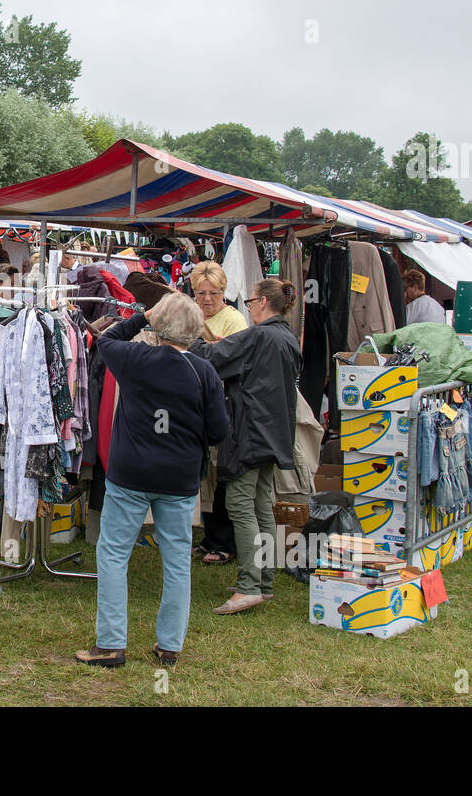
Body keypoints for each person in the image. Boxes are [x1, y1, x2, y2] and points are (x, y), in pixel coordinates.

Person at [75, 293, 229, 667]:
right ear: (194, 330)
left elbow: (105, 339)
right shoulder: (202, 371)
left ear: (159, 326)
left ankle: (111, 642)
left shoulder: (135, 358)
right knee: (176, 560)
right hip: (178, 477)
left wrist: (143, 316)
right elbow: (219, 430)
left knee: (113, 553)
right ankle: (169, 645)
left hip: (130, 472)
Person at [189, 278, 303, 616]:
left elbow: (208, 356)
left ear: (264, 302)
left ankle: (250, 585)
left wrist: (188, 336)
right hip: (273, 433)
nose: (248, 306)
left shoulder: (260, 336)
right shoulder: (285, 336)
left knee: (241, 505)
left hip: (250, 433)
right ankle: (262, 581)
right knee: (260, 506)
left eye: (251, 300)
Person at [185, 260, 249, 565]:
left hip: (225, 404)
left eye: (212, 293)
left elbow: (233, 362)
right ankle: (210, 538)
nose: (207, 298)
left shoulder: (234, 321)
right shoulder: (193, 316)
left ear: (223, 292)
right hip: (199, 403)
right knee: (206, 475)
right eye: (200, 293)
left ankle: (224, 542)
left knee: (221, 473)